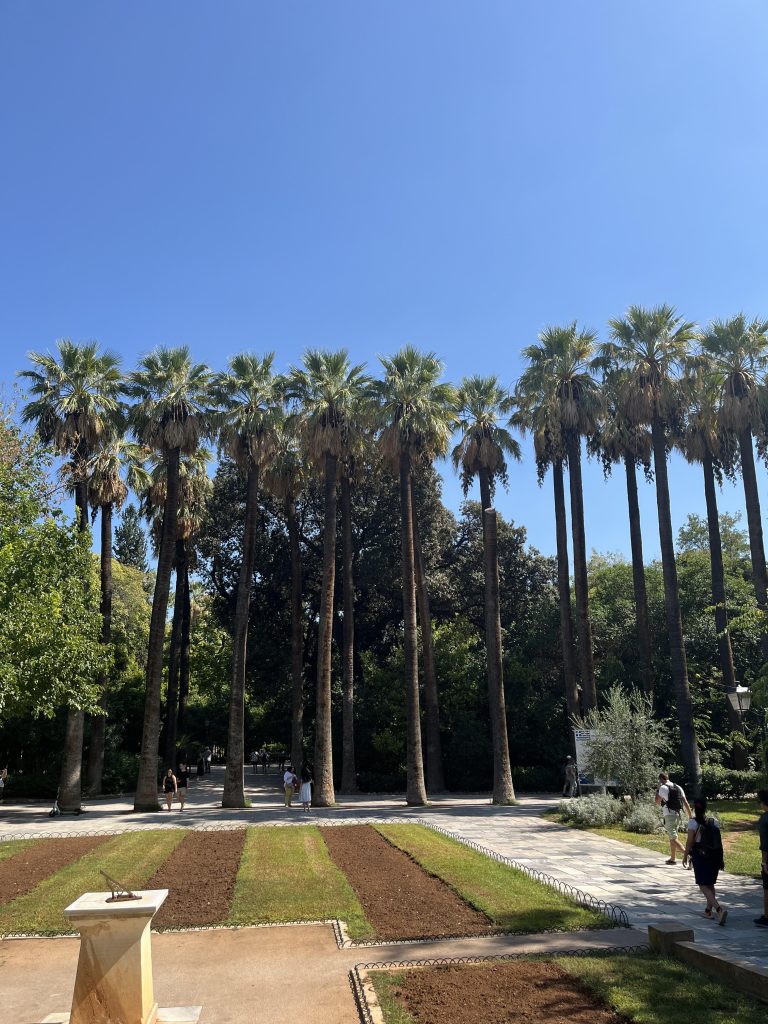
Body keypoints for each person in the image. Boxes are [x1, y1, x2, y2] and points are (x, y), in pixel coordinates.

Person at [683, 796, 726, 924]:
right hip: (714, 855)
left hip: (700, 855)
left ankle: (719, 909)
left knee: (702, 884)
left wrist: (685, 855)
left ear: (694, 808)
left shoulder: (693, 822)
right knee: (710, 884)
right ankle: (708, 910)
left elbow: (690, 841)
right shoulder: (714, 822)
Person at [655, 772, 692, 865]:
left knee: (673, 837)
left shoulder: (663, 788)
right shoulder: (678, 787)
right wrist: (690, 816)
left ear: (661, 779)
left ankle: (689, 856)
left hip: (669, 815)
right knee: (673, 837)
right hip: (677, 815)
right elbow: (686, 803)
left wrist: (658, 789)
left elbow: (657, 802)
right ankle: (672, 858)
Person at [754, 788, 768, 928]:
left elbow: (765, 845)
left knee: (767, 888)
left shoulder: (764, 819)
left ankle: (767, 916)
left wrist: (764, 862)